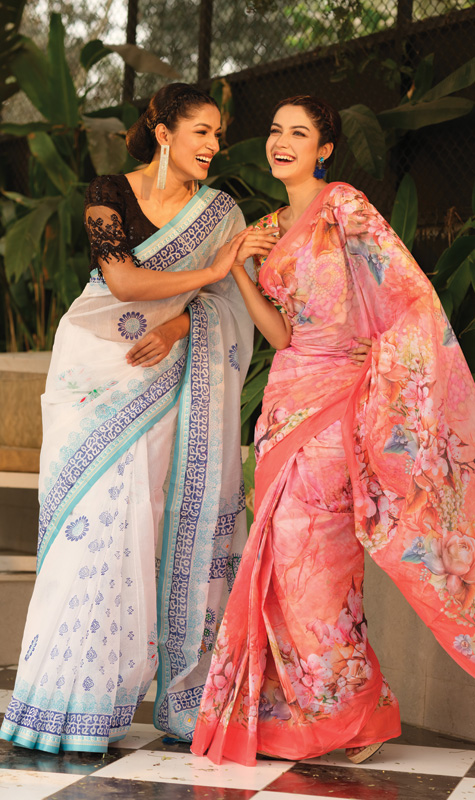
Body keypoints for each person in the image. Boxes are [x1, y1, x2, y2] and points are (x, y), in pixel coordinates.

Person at [191, 95, 475, 766]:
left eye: (299, 133)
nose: (281, 142)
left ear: (323, 149)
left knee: (318, 563)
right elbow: (280, 334)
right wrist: (240, 270)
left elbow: (408, 295)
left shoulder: (343, 206)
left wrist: (381, 366)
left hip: (339, 403)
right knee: (280, 565)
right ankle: (307, 715)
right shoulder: (266, 227)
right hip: (282, 406)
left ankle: (354, 711)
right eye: (275, 130)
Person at [0, 83, 281, 753]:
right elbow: (122, 281)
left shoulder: (219, 211)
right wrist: (211, 270)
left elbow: (230, 304)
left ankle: (140, 698)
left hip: (164, 377)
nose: (213, 145)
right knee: (86, 530)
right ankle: (60, 698)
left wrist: (182, 323)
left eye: (217, 133)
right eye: (201, 132)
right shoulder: (108, 193)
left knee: (138, 523)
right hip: (92, 370)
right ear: (163, 134)